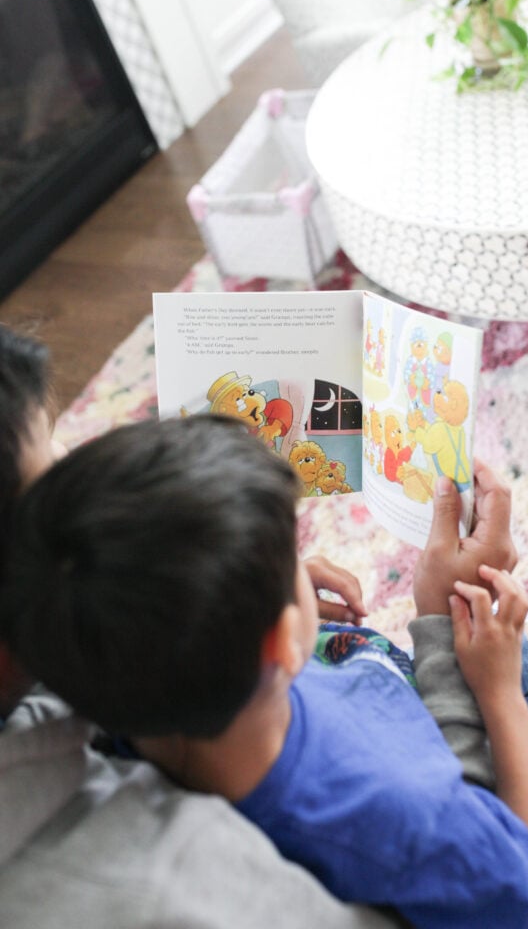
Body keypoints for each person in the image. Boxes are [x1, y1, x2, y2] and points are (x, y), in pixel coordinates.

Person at [6, 418, 528, 927]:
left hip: (385, 710)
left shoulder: (122, 680)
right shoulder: (389, 814)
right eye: (292, 561)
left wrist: (278, 594)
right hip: (463, 785)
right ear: (278, 642)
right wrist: (496, 690)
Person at [0, 323, 397, 929]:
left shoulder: (92, 671)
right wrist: (466, 685)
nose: (71, 460)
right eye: (51, 484)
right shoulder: (163, 883)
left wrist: (224, 578)